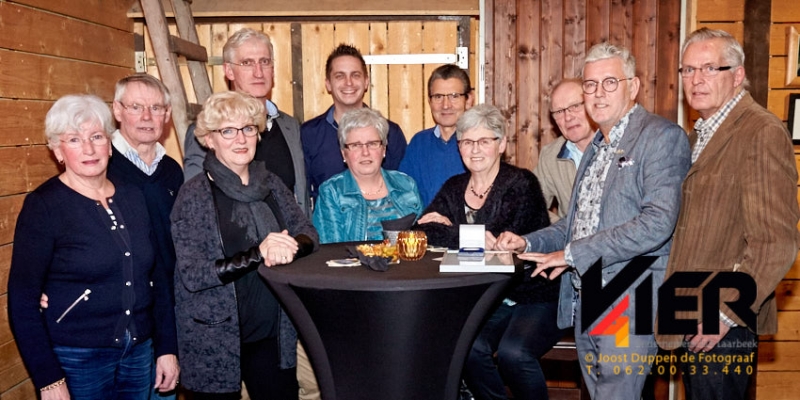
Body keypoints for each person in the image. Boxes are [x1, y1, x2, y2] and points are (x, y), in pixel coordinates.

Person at [495, 42, 691, 400]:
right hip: (586, 297)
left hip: (629, 297)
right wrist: (528, 242)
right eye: (590, 84)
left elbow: (657, 222)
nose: (598, 93)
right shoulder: (597, 145)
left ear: (633, 87)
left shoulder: (661, 136)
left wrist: (572, 254)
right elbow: (576, 222)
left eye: (609, 82)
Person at [655, 28, 800, 399]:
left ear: (737, 76)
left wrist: (724, 314)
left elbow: (776, 243)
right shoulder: (698, 136)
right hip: (690, 311)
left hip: (722, 322)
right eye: (688, 70)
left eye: (709, 68)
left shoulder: (761, 131)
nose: (696, 79)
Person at [8, 94, 178, 399]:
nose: (88, 149)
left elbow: (157, 276)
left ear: (109, 145)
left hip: (139, 352)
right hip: (77, 359)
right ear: (58, 151)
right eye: (74, 139)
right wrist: (49, 379)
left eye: (97, 136)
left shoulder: (133, 196)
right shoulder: (44, 206)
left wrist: (166, 347)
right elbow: (22, 300)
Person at [170, 91, 319, 399]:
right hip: (215, 336)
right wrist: (259, 253)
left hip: (273, 333)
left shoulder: (271, 183)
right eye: (228, 130)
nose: (241, 138)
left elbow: (308, 232)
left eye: (248, 128)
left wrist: (290, 246)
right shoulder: (194, 195)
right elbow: (194, 274)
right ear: (209, 139)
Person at [415, 104, 561, 400]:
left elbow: (499, 250)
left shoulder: (520, 184)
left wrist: (454, 231)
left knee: (513, 353)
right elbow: (422, 231)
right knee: (467, 349)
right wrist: (473, 236)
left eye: (484, 141)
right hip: (485, 298)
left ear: (502, 144)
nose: (475, 149)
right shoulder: (454, 187)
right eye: (467, 141)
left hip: (532, 293)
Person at [109, 73, 183, 398]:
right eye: (136, 107)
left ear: (167, 115)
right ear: (117, 110)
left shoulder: (172, 171)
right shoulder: (101, 166)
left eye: (156, 108)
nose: (147, 116)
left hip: (167, 308)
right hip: (120, 318)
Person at [183, 28, 309, 216]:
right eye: (247, 63)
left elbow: (300, 199)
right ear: (228, 71)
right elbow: (196, 205)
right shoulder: (209, 130)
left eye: (264, 62)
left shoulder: (289, 126)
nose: (258, 72)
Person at [302, 44, 407, 201]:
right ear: (328, 84)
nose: (348, 82)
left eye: (355, 75)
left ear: (366, 82)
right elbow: (302, 193)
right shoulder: (308, 134)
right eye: (340, 76)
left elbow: (403, 190)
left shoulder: (391, 132)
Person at [313, 107, 422, 243]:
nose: (365, 152)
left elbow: (421, 240)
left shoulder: (406, 184)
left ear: (384, 149)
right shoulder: (331, 191)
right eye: (356, 145)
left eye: (372, 144)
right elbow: (332, 249)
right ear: (344, 153)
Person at [398, 64, 473, 207]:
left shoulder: (478, 145)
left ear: (468, 100)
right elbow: (403, 195)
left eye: (454, 96)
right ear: (429, 101)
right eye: (438, 97)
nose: (446, 105)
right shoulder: (418, 144)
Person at [534, 78, 594, 222]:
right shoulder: (550, 156)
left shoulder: (617, 146)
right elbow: (532, 206)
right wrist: (562, 228)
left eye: (575, 106)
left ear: (591, 105)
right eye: (560, 111)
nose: (568, 117)